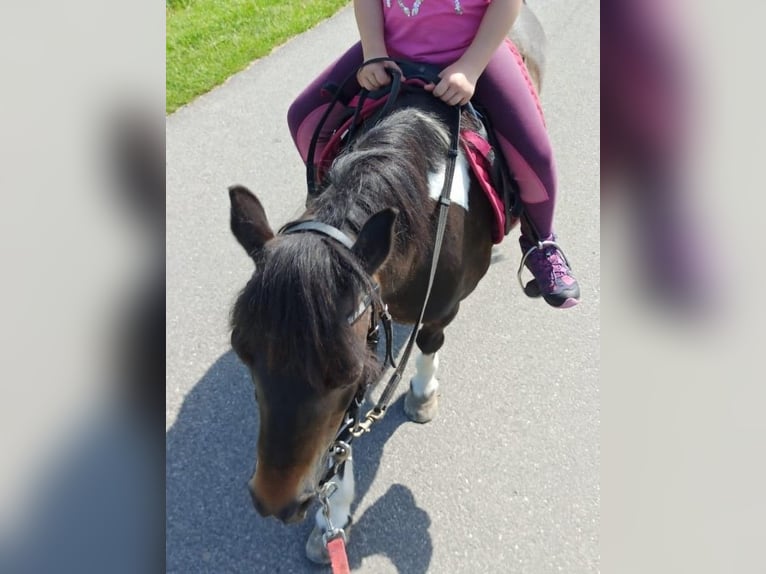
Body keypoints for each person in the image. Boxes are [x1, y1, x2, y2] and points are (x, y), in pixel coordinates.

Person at [287, 0, 580, 309]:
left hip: (470, 52)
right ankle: (334, 200)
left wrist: (470, 68)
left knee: (535, 155)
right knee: (303, 117)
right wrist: (373, 53)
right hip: (391, 49)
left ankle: (541, 243)